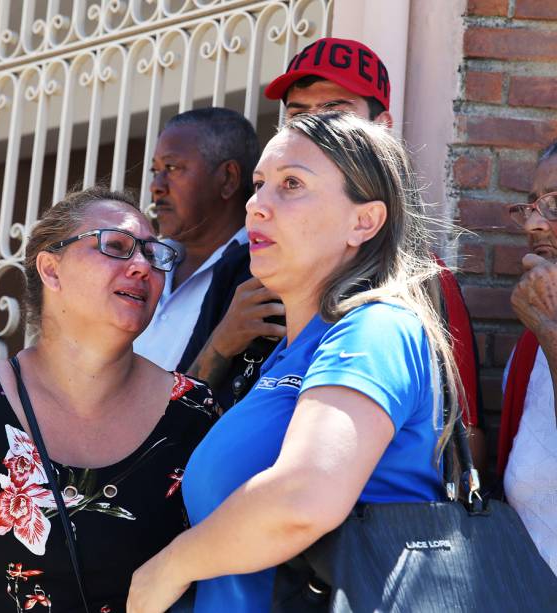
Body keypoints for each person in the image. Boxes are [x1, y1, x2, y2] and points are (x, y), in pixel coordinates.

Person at [127, 112, 461, 612]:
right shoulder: (289, 354)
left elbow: (303, 498)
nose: (258, 205)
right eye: (259, 185)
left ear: (363, 221)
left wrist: (168, 568)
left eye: (291, 184)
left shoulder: (374, 329)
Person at [0, 186, 219, 612]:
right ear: (51, 270)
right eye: (116, 247)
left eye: (154, 255)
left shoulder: (192, 411)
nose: (142, 267)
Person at [192, 36, 486, 454]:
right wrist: (221, 343)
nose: (313, 127)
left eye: (333, 112)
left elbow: (464, 434)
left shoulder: (415, 279)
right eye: (297, 115)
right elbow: (182, 401)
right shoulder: (244, 262)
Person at [134, 107, 282, 395]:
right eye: (156, 171)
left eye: (172, 168)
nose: (156, 186)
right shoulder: (142, 264)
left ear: (228, 178)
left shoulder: (259, 274)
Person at [499, 138, 557, 574]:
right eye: (531, 206)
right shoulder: (528, 348)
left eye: (553, 205)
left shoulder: (542, 329)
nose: (533, 224)